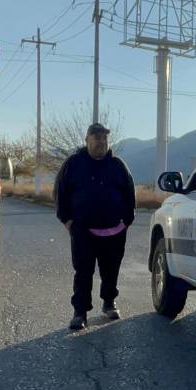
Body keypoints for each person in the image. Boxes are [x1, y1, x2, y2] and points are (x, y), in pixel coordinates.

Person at [54, 122, 136, 330]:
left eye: (104, 138)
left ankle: (109, 303)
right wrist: (68, 221)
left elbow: (129, 194)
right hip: (83, 230)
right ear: (87, 140)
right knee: (83, 271)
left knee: (111, 270)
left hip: (115, 231)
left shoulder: (118, 165)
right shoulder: (73, 164)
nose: (101, 142)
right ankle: (80, 312)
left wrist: (126, 221)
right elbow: (60, 193)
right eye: (97, 138)